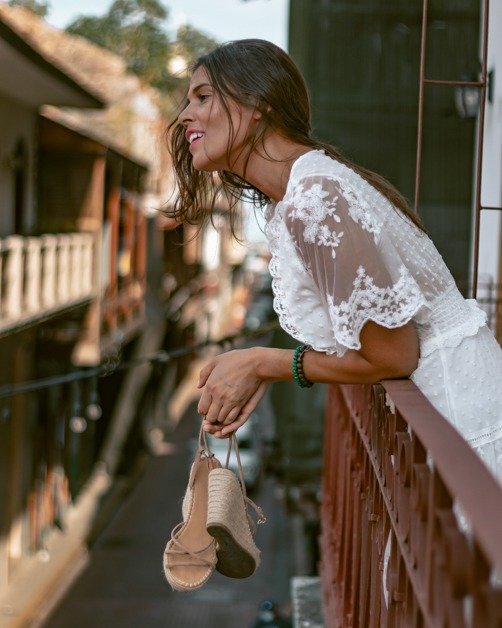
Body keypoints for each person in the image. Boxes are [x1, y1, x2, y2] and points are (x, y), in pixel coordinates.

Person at [167, 39, 502, 483]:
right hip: (444, 415)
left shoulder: (315, 197)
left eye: (203, 97)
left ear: (257, 103)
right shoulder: (301, 193)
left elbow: (394, 355)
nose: (184, 115)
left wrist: (265, 363)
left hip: (461, 421)